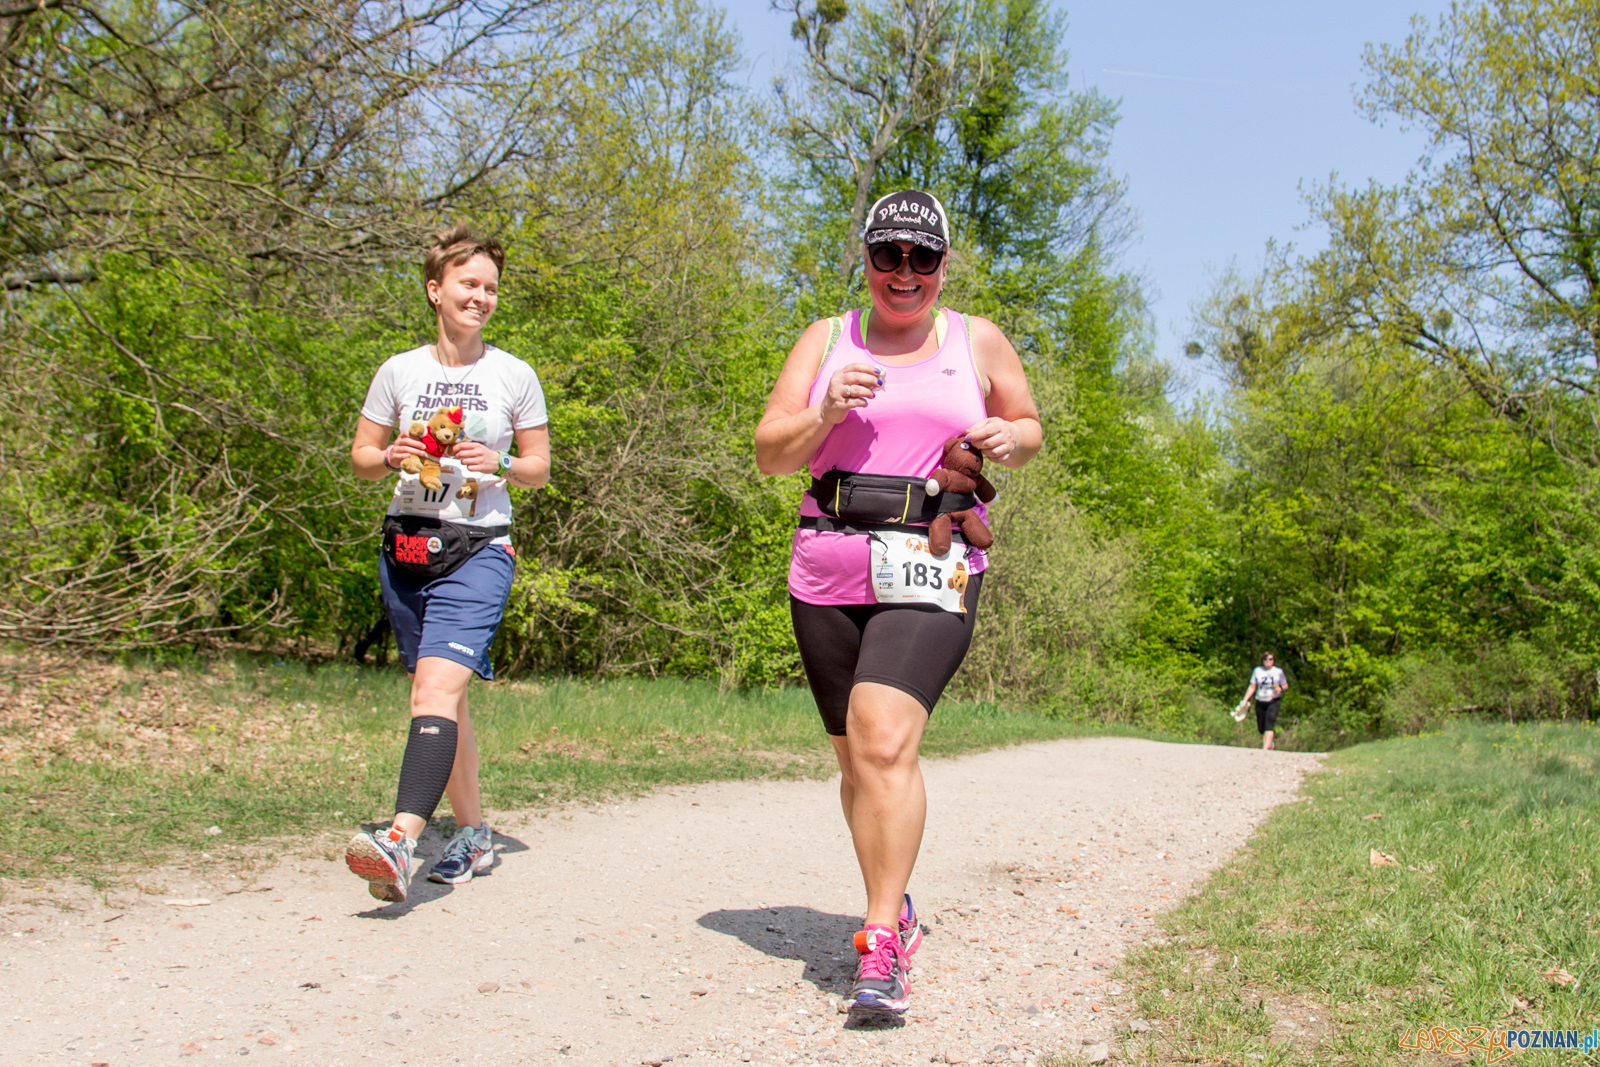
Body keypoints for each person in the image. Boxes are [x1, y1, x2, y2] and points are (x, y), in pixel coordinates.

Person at [754, 190, 1042, 1020]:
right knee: (857, 761)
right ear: (868, 260)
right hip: (829, 558)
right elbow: (771, 454)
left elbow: (1027, 426)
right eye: (889, 256)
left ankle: (880, 938)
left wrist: (1006, 439)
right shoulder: (825, 338)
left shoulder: (975, 339)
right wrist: (823, 411)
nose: (904, 274)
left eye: (922, 258)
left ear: (943, 265)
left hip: (935, 556)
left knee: (883, 736)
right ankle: (895, 900)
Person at [343, 224, 550, 903]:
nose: (481, 297)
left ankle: (400, 839)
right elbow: (361, 460)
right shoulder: (399, 371)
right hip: (406, 549)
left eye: (490, 288)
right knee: (447, 699)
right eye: (469, 284)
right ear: (436, 290)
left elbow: (540, 469)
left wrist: (507, 463)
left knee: (431, 693)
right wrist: (392, 455)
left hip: (478, 550)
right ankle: (471, 832)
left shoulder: (513, 374)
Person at [1243, 651, 1288, 751]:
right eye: (1265, 659)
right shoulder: (1257, 671)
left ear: (1274, 661)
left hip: (1273, 700)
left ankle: (1264, 750)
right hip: (1260, 700)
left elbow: (1285, 685)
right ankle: (1269, 744)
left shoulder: (1278, 671)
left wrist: (1281, 689)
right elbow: (1252, 686)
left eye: (1270, 659)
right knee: (1261, 728)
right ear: (1262, 660)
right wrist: (1245, 700)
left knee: (1269, 724)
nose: (1268, 661)